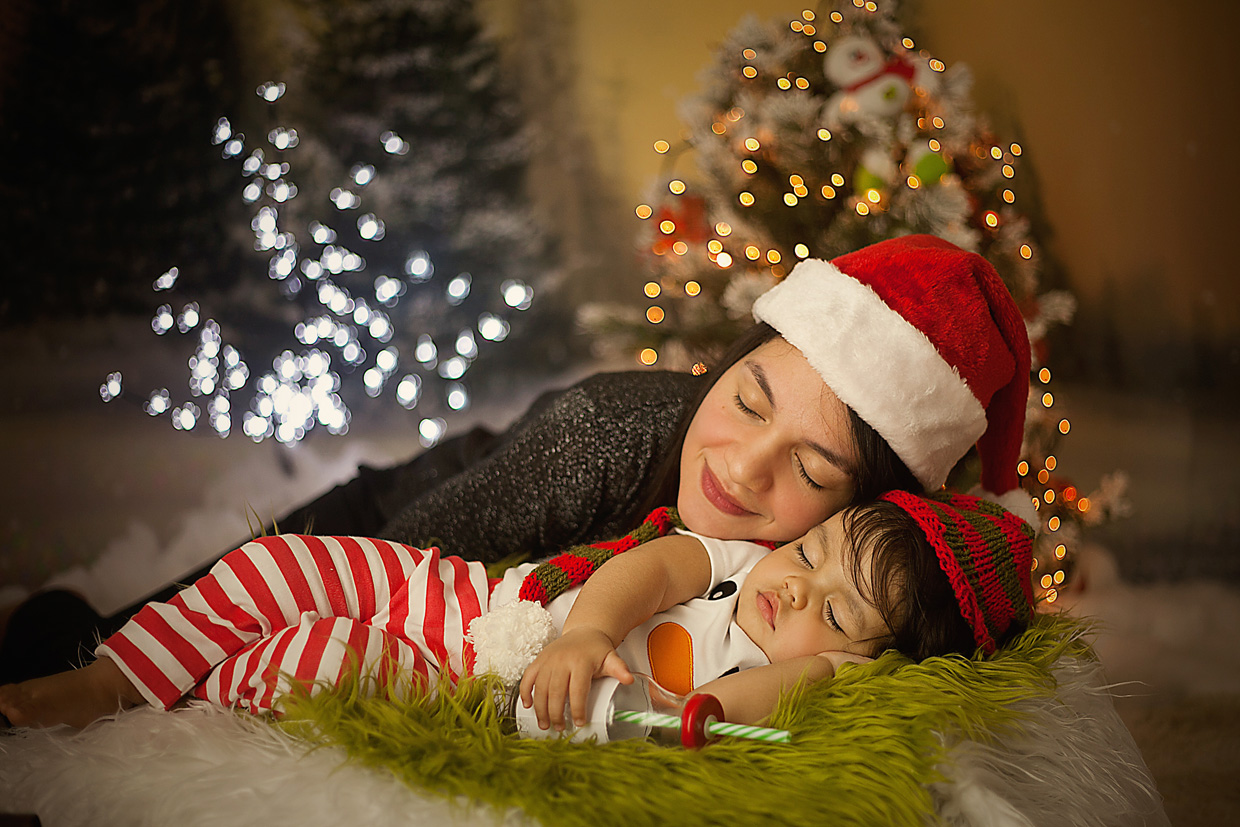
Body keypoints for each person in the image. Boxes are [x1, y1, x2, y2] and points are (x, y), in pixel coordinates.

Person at [0, 234, 1032, 684]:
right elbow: (376, 566)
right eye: (747, 398)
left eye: (811, 470)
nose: (740, 467)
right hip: (407, 516)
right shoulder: (606, 439)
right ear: (725, 364)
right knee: (126, 641)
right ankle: (72, 629)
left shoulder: (825, 579)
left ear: (866, 511)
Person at [0, 491, 1035, 731]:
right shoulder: (743, 556)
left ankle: (154, 704)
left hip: (470, 692)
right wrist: (587, 627)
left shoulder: (803, 673)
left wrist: (827, 671)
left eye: (838, 608)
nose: (797, 582)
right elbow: (650, 573)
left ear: (871, 657)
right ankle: (111, 673)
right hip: (480, 603)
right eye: (814, 550)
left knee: (318, 656)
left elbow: (767, 694)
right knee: (286, 562)